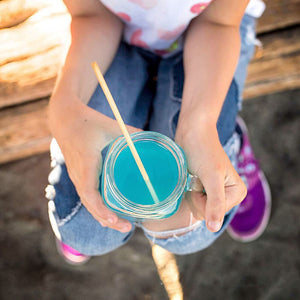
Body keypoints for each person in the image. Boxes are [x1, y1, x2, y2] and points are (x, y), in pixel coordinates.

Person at [46, 0, 271, 264]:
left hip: (209, 32)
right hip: (113, 32)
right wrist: (65, 110)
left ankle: (227, 136)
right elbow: (90, 15)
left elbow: (218, 22)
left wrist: (200, 125)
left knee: (186, 230)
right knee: (86, 230)